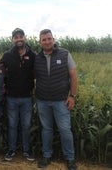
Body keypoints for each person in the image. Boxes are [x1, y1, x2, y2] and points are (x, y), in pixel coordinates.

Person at [34, 29, 78, 170]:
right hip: (42, 101)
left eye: (49, 38)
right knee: (46, 129)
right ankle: (47, 156)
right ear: (40, 42)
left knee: (65, 129)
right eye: (44, 39)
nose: (47, 41)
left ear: (53, 39)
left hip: (61, 101)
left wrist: (72, 96)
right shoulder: (37, 58)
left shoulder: (64, 54)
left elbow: (73, 76)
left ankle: (70, 159)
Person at [0, 28, 36, 161]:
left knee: (26, 126)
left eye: (21, 36)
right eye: (16, 37)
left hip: (27, 97)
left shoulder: (32, 55)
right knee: (12, 125)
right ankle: (11, 150)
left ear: (24, 38)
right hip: (11, 98)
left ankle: (27, 151)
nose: (19, 39)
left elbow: (37, 72)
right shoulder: (7, 55)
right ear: (12, 40)